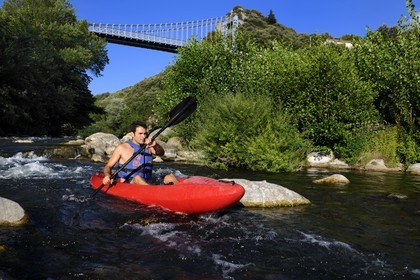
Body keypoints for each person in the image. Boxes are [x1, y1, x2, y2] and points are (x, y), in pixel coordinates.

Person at [102, 122, 179, 186]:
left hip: (148, 180)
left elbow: (161, 153)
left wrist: (155, 145)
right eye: (140, 133)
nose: (143, 136)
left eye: (145, 134)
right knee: (137, 178)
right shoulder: (122, 148)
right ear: (132, 134)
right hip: (128, 181)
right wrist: (107, 175)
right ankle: (153, 195)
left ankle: (180, 194)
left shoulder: (149, 146)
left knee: (170, 177)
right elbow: (108, 166)